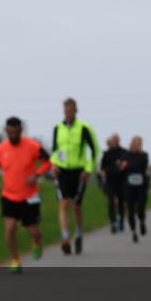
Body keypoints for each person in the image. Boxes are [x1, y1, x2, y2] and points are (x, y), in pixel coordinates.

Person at [0, 117, 51, 273]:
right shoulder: (1, 149)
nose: (13, 136)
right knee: (9, 229)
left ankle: (36, 242)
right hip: (9, 196)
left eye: (16, 132)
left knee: (34, 232)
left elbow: (48, 162)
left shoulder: (33, 146)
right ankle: (15, 260)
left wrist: (36, 174)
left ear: (21, 131)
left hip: (29, 196)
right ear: (6, 131)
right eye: (10, 132)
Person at [50, 98, 100, 255]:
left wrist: (88, 169)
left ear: (76, 111)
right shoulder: (58, 128)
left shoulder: (84, 128)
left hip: (79, 172)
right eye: (66, 111)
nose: (68, 113)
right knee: (64, 204)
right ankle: (65, 238)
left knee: (77, 206)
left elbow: (95, 149)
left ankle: (78, 234)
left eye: (71, 110)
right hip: (63, 171)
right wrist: (54, 165)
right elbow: (54, 150)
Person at [118, 136, 150, 243]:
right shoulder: (125, 156)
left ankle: (141, 222)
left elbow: (144, 166)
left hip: (141, 186)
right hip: (129, 186)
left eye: (140, 143)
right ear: (132, 144)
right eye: (136, 143)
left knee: (140, 209)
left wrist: (139, 154)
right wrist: (122, 166)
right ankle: (133, 232)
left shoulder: (144, 155)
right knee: (131, 210)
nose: (138, 145)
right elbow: (121, 170)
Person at [99, 134, 128, 233]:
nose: (114, 141)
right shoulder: (106, 153)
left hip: (121, 181)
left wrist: (124, 166)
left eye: (116, 139)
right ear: (110, 141)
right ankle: (113, 222)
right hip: (110, 181)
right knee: (111, 201)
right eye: (113, 140)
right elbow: (102, 167)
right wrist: (103, 173)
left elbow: (127, 164)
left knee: (120, 202)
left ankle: (120, 220)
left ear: (118, 140)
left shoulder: (124, 152)